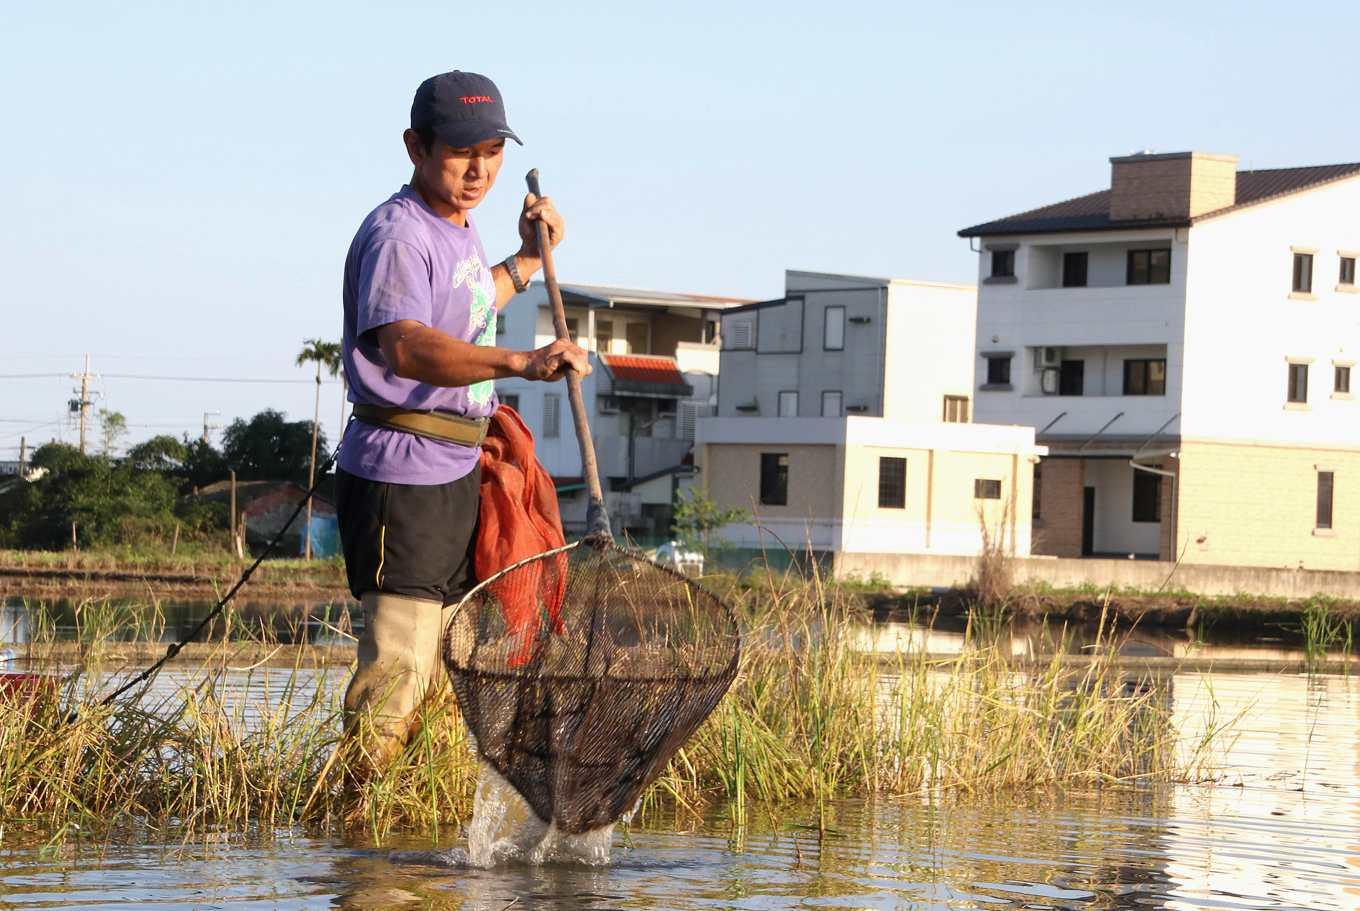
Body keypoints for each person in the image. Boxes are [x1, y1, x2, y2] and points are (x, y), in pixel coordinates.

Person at [336, 70, 590, 777]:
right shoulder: (399, 232)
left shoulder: (459, 231)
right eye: (459, 151)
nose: (479, 168)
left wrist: (530, 261)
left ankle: (410, 845)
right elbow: (408, 344)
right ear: (416, 146)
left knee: (453, 666)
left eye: (491, 151)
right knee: (399, 667)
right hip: (401, 476)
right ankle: (361, 843)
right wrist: (520, 360)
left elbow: (474, 298)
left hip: (454, 476)